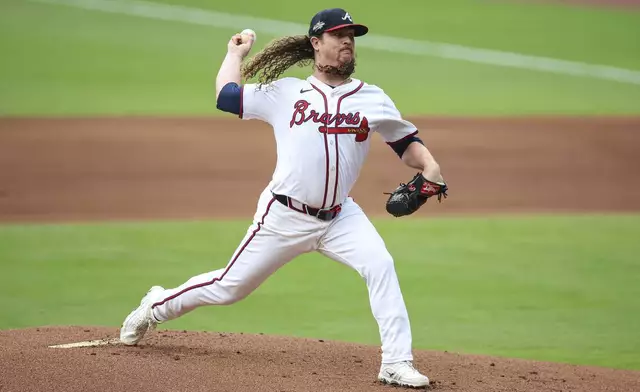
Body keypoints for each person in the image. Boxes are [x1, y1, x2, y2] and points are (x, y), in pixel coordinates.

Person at [119, 8, 447, 389]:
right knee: (229, 287)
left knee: (381, 266)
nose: (347, 42)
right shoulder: (287, 93)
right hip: (284, 216)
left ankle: (396, 362)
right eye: (339, 35)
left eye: (352, 36)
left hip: (341, 217)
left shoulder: (372, 98)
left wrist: (430, 166)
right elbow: (227, 97)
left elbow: (404, 142)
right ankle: (156, 305)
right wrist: (234, 56)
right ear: (315, 43)